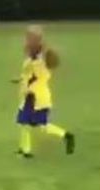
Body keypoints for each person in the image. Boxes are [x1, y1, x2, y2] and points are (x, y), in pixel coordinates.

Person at [14, 25, 76, 158]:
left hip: (36, 98)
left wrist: (26, 83)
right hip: (31, 96)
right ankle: (25, 150)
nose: (26, 41)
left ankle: (66, 135)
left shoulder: (38, 61)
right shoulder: (35, 57)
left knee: (42, 126)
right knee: (23, 122)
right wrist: (20, 80)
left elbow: (34, 77)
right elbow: (29, 76)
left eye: (29, 38)